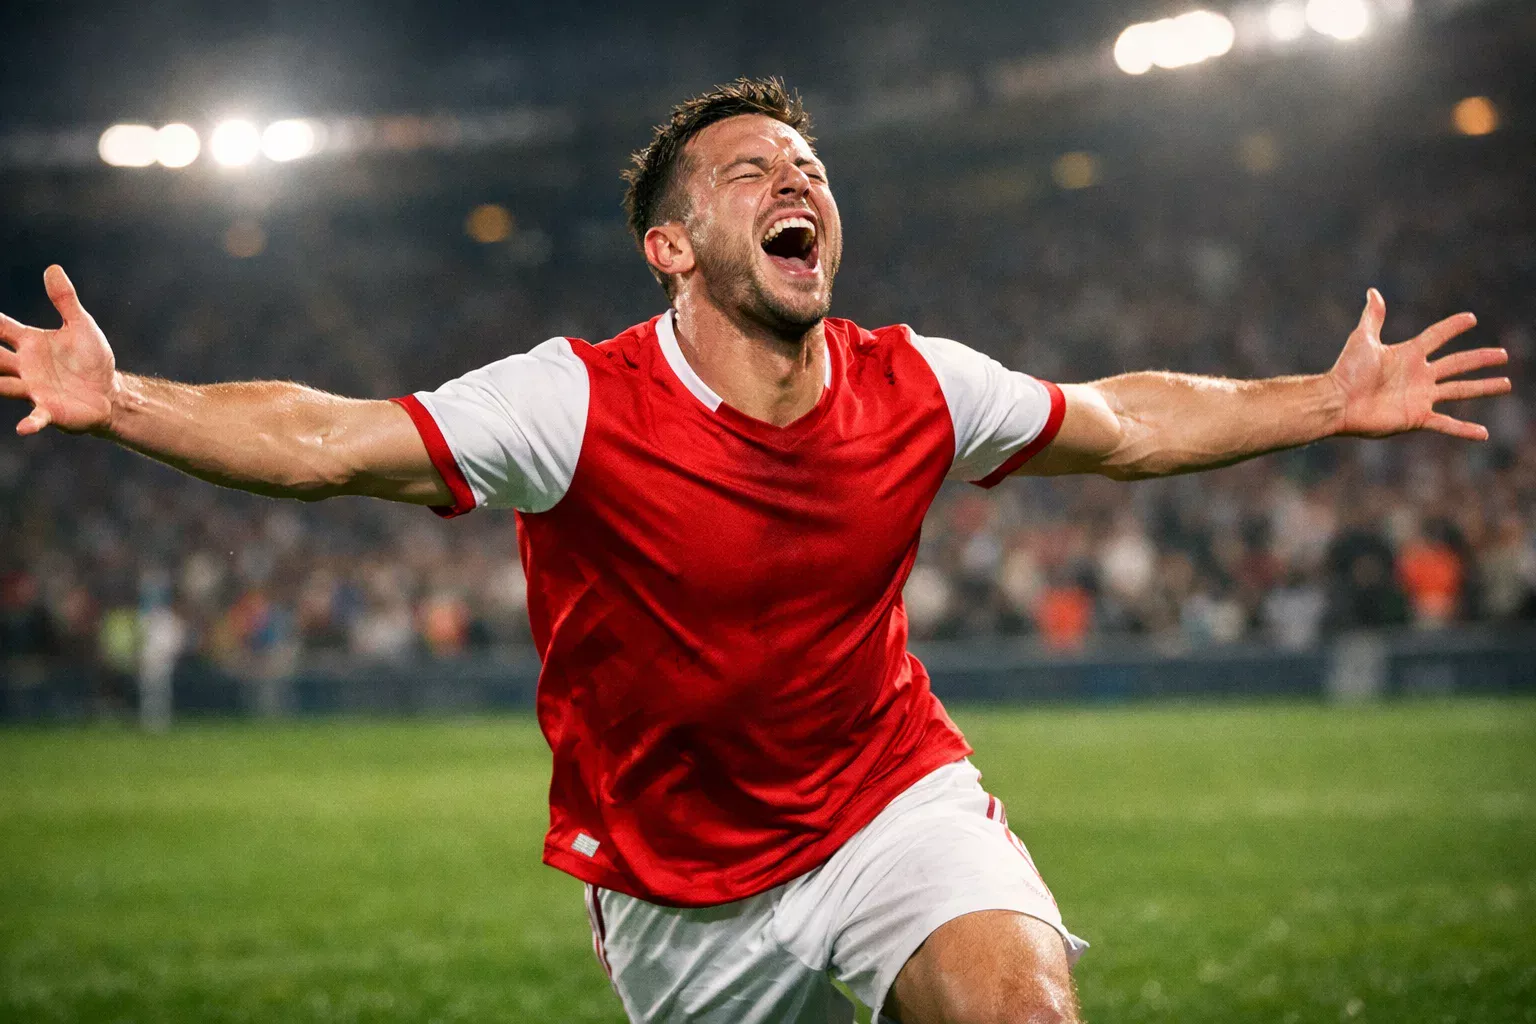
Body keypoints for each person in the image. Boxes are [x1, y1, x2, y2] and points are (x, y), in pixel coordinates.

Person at [0, 78, 1510, 1024]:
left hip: (884, 798)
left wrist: (1327, 399)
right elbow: (328, 442)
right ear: (671, 247)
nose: (798, 183)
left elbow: (1119, 420)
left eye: (810, 168)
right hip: (675, 886)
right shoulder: (575, 402)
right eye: (749, 171)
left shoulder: (919, 381)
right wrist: (119, 399)